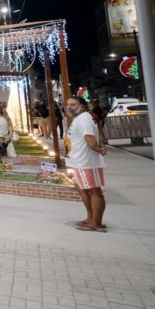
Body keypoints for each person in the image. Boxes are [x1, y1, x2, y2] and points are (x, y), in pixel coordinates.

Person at [64, 97, 108, 232]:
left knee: (94, 192)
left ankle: (96, 223)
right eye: (68, 104)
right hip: (77, 161)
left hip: (86, 162)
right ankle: (90, 218)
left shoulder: (84, 118)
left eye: (73, 104)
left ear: (82, 106)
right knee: (84, 191)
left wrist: (100, 149)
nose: (69, 107)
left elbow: (90, 139)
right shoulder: (78, 119)